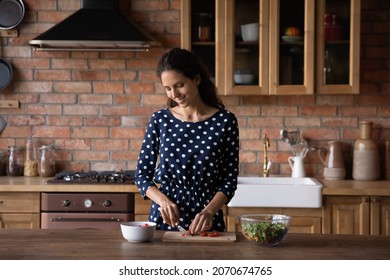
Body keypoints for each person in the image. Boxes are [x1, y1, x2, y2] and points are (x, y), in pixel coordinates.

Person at [135, 48, 239, 235]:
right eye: (168, 88)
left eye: (179, 85)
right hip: (165, 218)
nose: (174, 94)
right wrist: (163, 201)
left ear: (197, 79)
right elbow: (141, 175)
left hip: (207, 219)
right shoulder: (160, 120)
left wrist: (209, 211)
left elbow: (229, 180)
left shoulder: (225, 121)